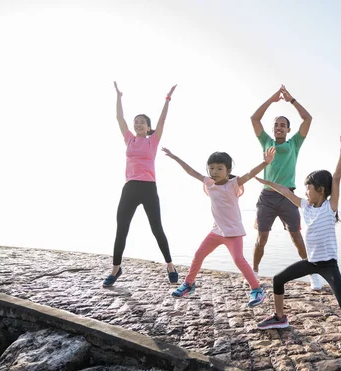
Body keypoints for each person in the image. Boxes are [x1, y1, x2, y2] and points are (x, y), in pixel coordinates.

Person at [255, 132, 341, 356]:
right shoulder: (305, 206)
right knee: (278, 279)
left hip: (328, 265)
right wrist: (267, 182)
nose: (305, 191)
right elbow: (286, 191)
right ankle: (280, 317)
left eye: (309, 187)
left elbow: (336, 178)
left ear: (321, 190)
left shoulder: (329, 207)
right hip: (311, 262)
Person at [161, 146, 276, 307]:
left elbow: (250, 174)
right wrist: (175, 157)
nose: (214, 172)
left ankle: (257, 290)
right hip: (216, 231)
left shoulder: (233, 184)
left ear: (228, 170)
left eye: (219, 168)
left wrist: (265, 162)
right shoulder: (209, 183)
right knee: (199, 254)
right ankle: (189, 284)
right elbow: (191, 171)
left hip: (233, 232)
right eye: (212, 168)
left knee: (238, 260)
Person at [103, 82, 178, 287]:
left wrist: (167, 99)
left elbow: (163, 120)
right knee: (122, 229)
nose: (137, 125)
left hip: (148, 188)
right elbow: (119, 118)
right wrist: (119, 96)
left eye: (142, 122)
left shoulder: (152, 140)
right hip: (130, 188)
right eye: (136, 122)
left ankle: (170, 265)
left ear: (148, 126)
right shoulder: (129, 139)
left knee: (157, 228)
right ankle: (116, 269)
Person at [250, 85, 323, 290]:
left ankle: (313, 275)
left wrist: (292, 100)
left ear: (288, 129)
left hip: (288, 197)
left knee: (296, 237)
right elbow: (254, 119)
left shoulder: (294, 144)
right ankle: (253, 273)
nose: (279, 127)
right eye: (276, 125)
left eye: (283, 125)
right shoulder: (266, 141)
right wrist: (272, 99)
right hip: (267, 197)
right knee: (261, 238)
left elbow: (308, 119)